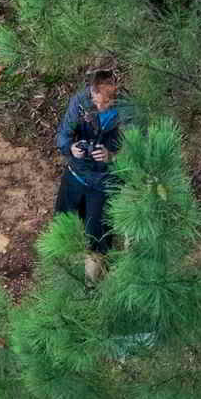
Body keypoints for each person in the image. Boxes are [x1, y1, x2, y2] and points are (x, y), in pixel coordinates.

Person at [52, 69, 132, 280]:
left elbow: (138, 154)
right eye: (94, 100)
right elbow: (62, 134)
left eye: (103, 103)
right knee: (64, 223)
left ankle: (92, 282)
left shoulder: (129, 112)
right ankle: (66, 274)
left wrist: (112, 156)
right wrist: (71, 148)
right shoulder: (80, 101)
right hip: (76, 175)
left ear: (114, 97)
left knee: (96, 238)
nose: (97, 107)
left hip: (104, 184)